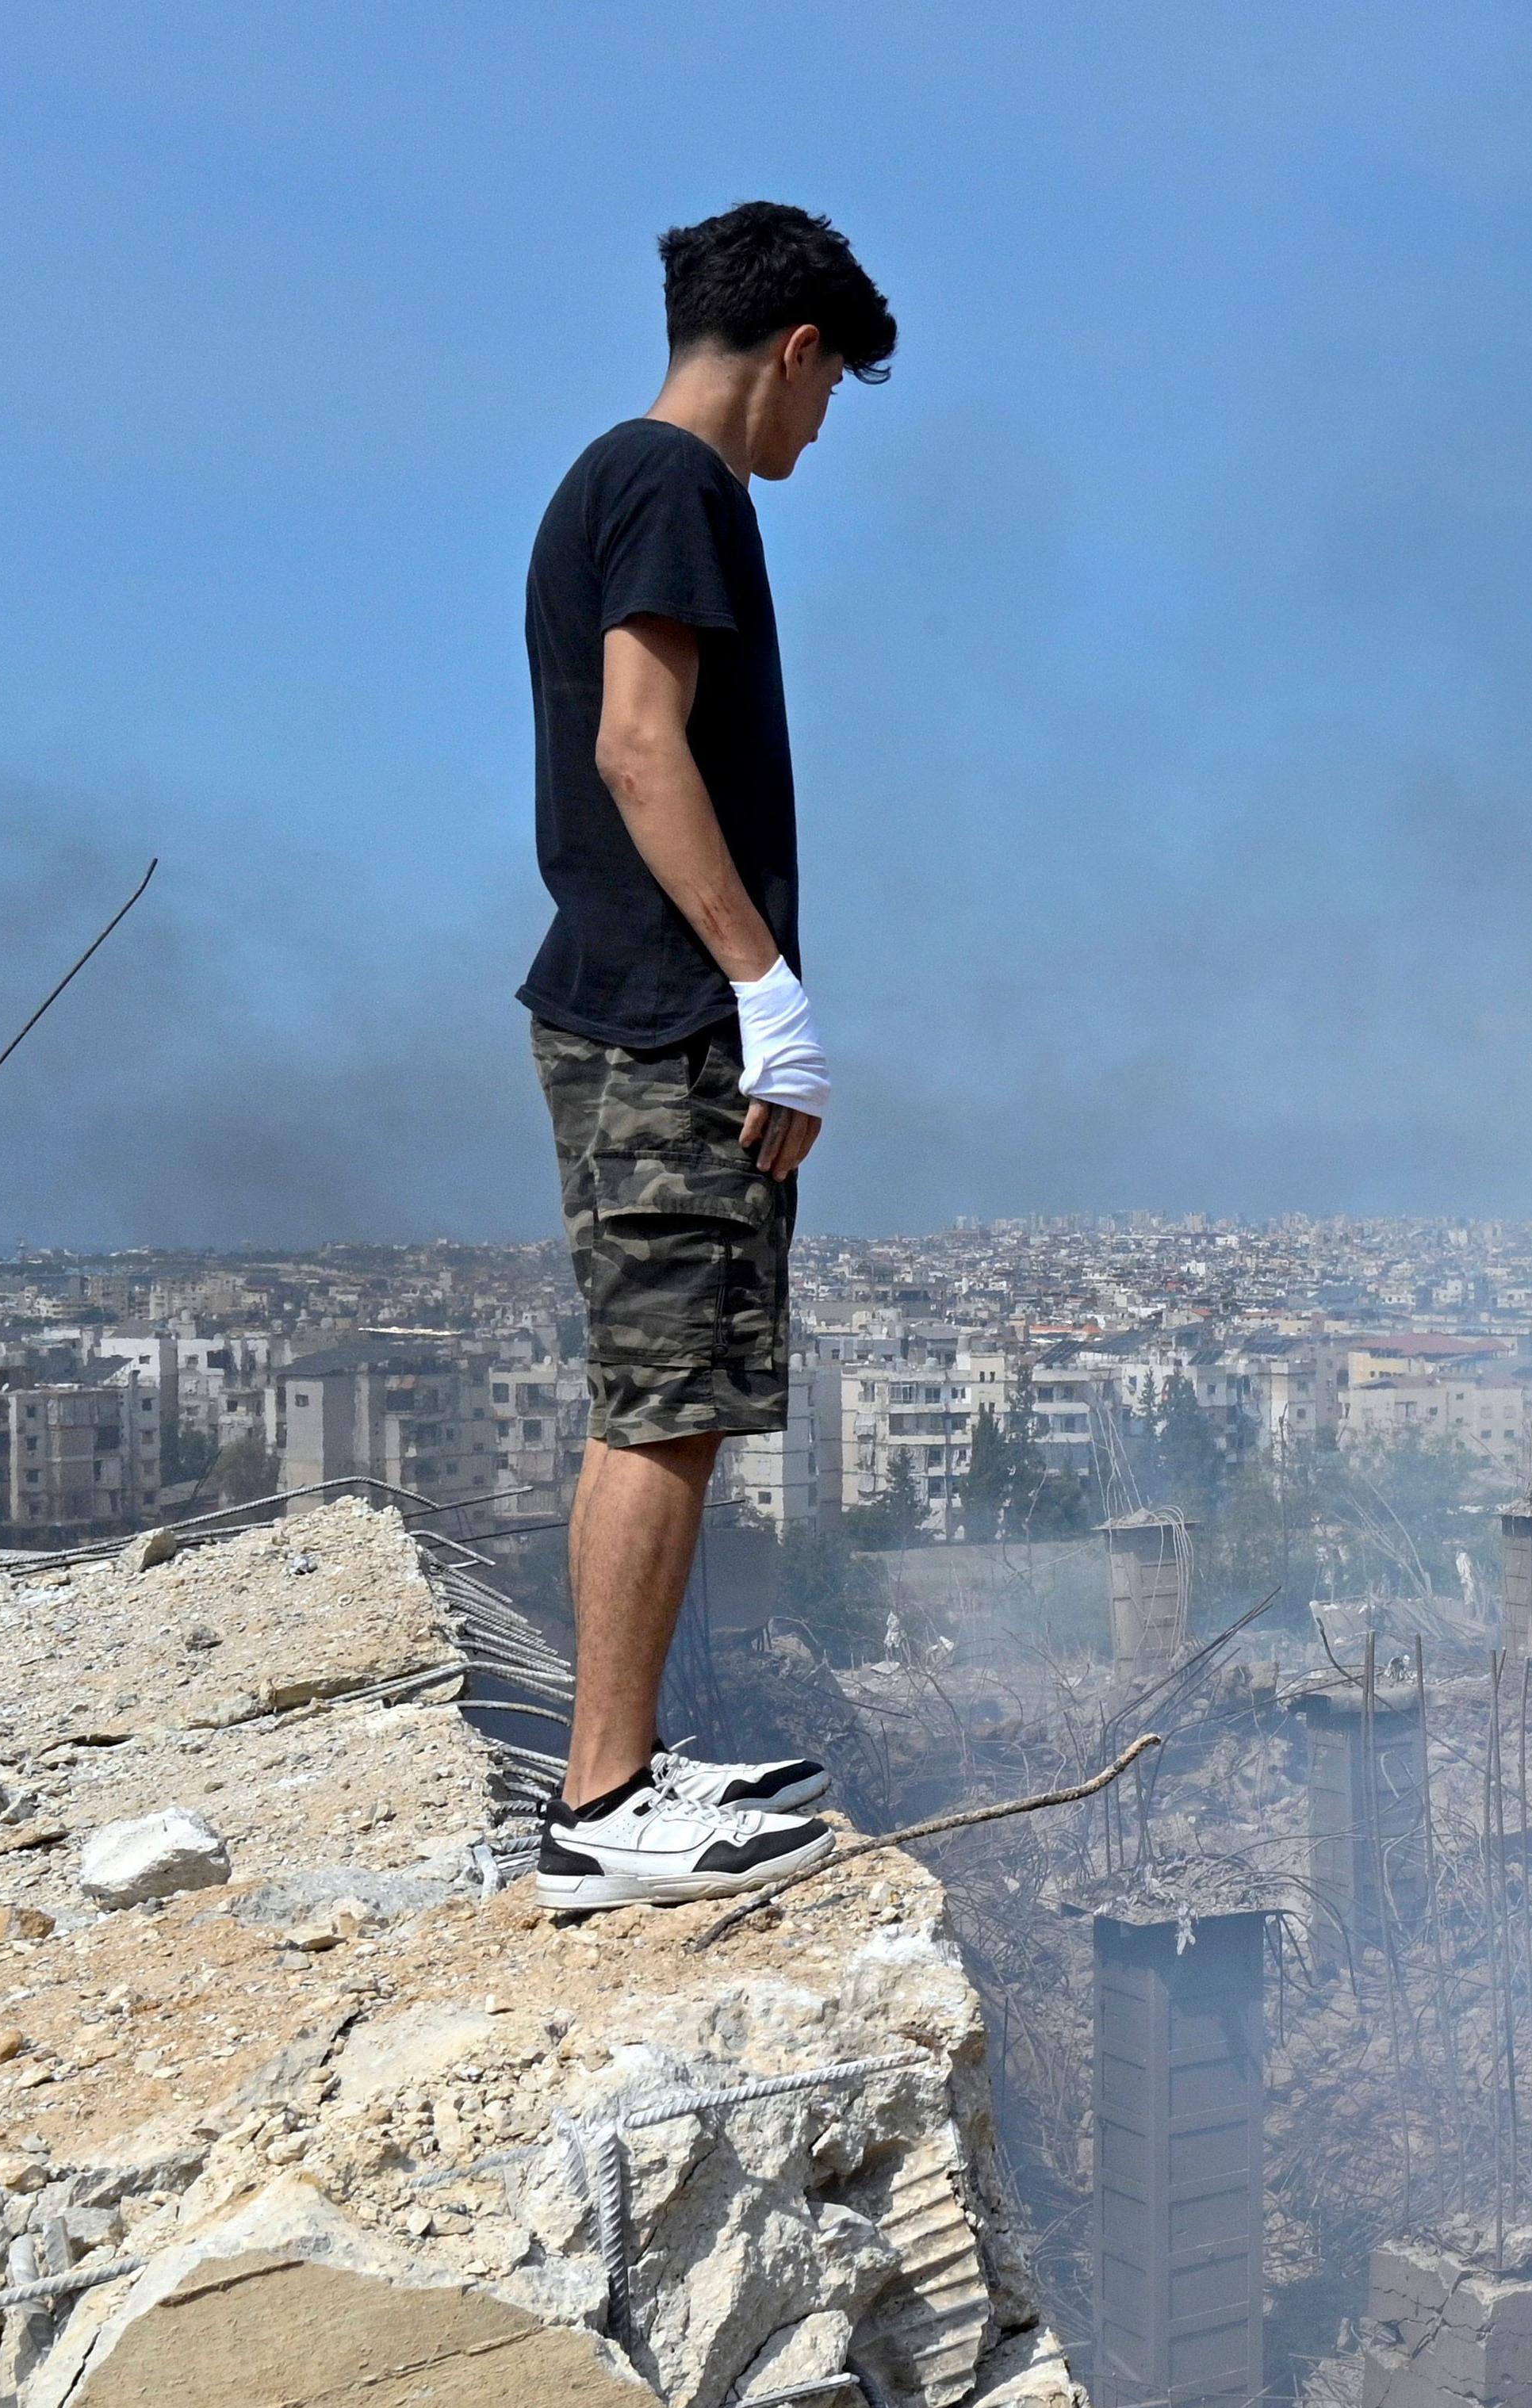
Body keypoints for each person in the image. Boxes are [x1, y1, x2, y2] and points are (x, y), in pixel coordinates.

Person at [515, 202, 894, 1908]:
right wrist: (767, 990)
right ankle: (604, 1809)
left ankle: (624, 1767)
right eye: (832, 392)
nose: (822, 431)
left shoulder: (615, 479)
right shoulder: (675, 483)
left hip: (639, 1003)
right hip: (666, 1012)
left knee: (657, 1399)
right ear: (795, 349)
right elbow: (637, 747)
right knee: (667, 1406)